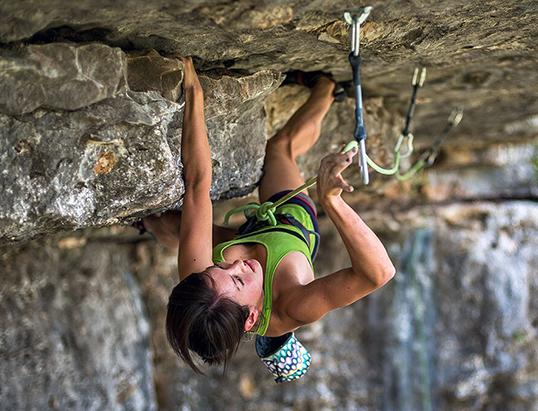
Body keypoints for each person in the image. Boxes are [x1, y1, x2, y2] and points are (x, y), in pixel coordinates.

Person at [143, 54, 396, 380]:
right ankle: (326, 90)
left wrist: (194, 94)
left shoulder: (202, 282)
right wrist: (331, 202)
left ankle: (147, 224)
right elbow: (378, 273)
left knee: (173, 223)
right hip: (288, 223)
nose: (235, 266)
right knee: (280, 148)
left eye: (219, 266)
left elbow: (197, 185)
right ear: (251, 319)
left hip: (247, 236)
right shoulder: (292, 306)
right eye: (236, 280)